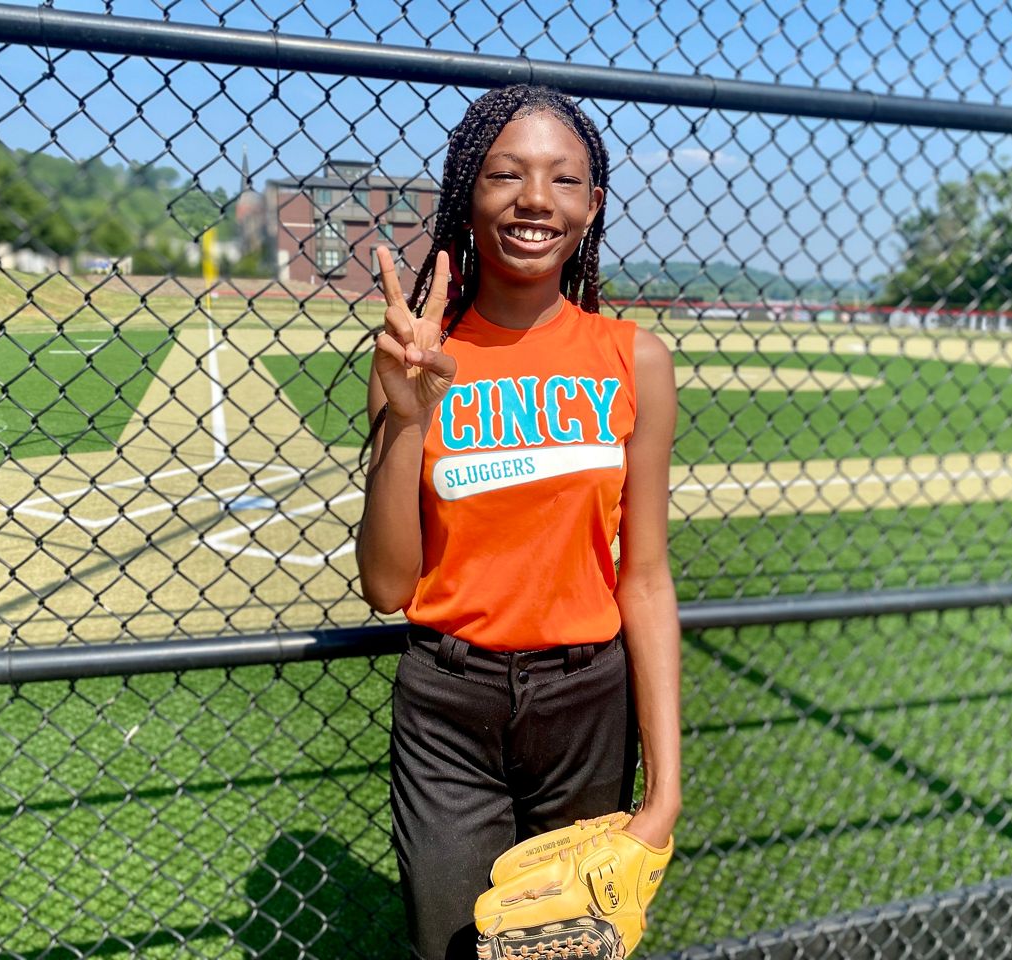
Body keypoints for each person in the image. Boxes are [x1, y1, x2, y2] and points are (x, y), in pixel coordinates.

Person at [355, 84, 681, 960]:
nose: (535, 198)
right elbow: (387, 587)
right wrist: (408, 416)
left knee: (572, 947)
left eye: (563, 180)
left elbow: (643, 576)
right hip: (449, 705)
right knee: (455, 948)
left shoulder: (633, 358)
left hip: (588, 706)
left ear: (591, 204)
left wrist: (666, 797)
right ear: (468, 195)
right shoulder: (420, 353)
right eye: (505, 174)